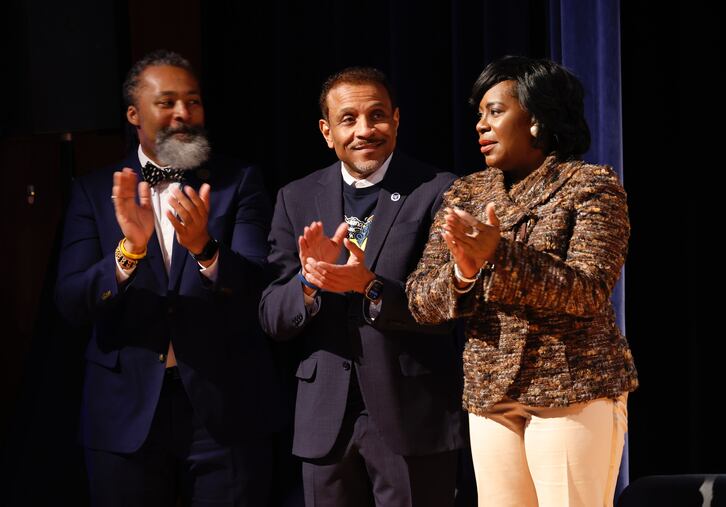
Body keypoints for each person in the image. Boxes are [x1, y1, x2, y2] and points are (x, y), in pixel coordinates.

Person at [406, 55, 638, 507]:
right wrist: (463, 273)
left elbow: (589, 290)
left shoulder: (591, 186)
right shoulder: (466, 195)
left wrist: (499, 253)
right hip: (491, 395)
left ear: (536, 119)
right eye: (479, 115)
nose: (480, 125)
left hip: (572, 390)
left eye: (495, 111)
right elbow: (420, 300)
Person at [55, 49, 282, 506]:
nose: (184, 113)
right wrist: (129, 251)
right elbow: (70, 302)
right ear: (134, 114)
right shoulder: (93, 191)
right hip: (124, 413)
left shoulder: (238, 182)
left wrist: (205, 248)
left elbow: (260, 289)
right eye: (168, 102)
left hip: (225, 411)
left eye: (193, 102)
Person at [258, 67, 465, 507]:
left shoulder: (438, 190)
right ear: (326, 131)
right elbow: (273, 315)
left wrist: (369, 285)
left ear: (396, 119)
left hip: (413, 413)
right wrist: (309, 282)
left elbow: (447, 306)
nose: (364, 130)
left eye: (376, 116)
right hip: (324, 420)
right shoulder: (294, 198)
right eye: (348, 119)